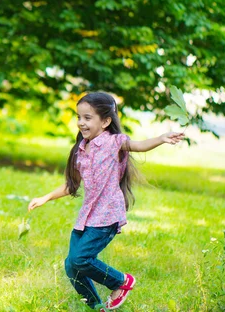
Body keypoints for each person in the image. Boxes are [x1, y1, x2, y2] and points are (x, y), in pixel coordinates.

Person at [28, 92, 184, 311]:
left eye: (87, 117)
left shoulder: (114, 142)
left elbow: (139, 145)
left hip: (107, 215)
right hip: (87, 216)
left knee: (81, 259)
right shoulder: (81, 149)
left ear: (106, 121)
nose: (81, 122)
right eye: (79, 117)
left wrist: (161, 138)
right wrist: (44, 198)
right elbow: (72, 185)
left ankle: (121, 282)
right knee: (71, 266)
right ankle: (95, 305)